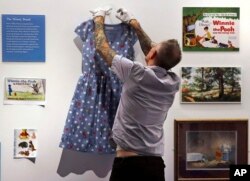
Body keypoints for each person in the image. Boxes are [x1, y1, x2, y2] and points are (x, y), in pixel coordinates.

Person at [91, 7, 181, 181]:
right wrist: (135, 24)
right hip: (155, 165)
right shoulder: (173, 82)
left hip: (129, 167)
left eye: (155, 46)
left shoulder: (136, 73)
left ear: (153, 52)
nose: (152, 46)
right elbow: (156, 53)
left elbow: (102, 47)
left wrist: (99, 17)